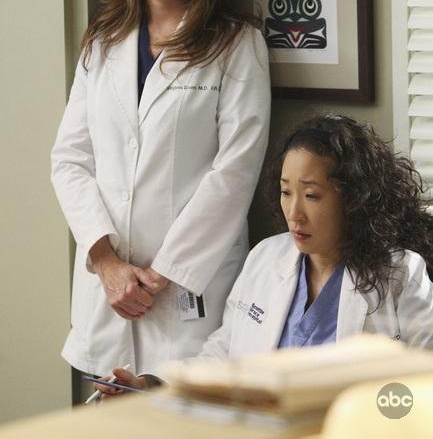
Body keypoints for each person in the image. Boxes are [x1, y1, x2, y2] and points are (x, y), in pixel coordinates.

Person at [51, 0, 271, 378]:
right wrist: (107, 264)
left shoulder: (236, 45)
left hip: (186, 298)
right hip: (107, 293)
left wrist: (161, 275)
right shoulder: (103, 40)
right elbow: (69, 159)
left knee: (183, 409)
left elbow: (235, 174)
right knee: (110, 411)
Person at [99, 114, 433, 395]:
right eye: (286, 192)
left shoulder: (401, 274)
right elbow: (224, 354)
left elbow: (423, 384)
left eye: (311, 196)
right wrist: (150, 384)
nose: (294, 213)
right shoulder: (265, 257)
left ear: (353, 198)